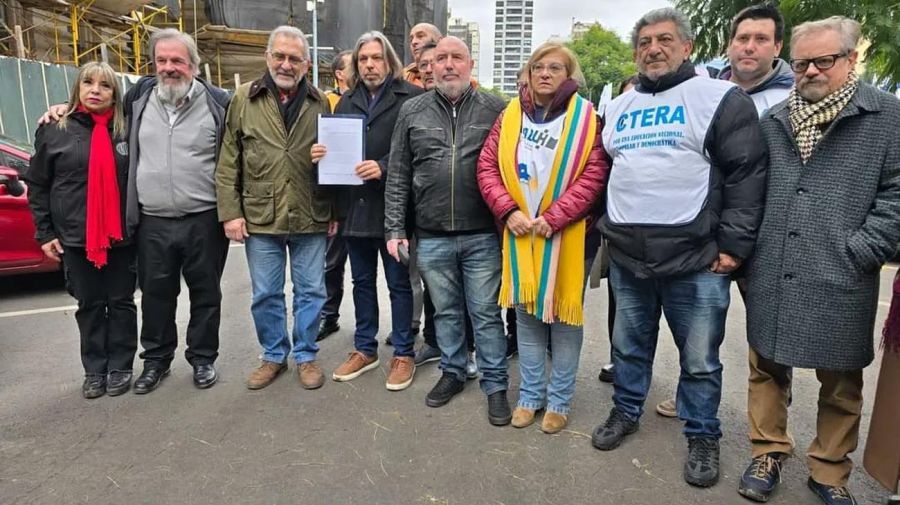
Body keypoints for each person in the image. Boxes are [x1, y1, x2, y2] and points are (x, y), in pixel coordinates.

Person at [589, 7, 767, 489]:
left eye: (665, 39)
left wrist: (734, 246)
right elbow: (603, 173)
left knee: (701, 359)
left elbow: (746, 175)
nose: (654, 48)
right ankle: (625, 411)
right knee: (628, 347)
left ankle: (703, 434)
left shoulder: (719, 98)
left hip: (698, 259)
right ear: (636, 52)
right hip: (629, 254)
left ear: (687, 47)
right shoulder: (620, 107)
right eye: (645, 42)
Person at [741, 16, 900, 505]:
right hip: (775, 265)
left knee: (841, 380)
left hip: (843, 270)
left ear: (852, 60)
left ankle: (829, 471)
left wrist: (864, 249)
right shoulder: (773, 120)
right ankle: (768, 450)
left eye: (823, 61)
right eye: (803, 62)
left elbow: (897, 194)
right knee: (766, 367)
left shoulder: (887, 116)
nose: (810, 71)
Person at [39, 29, 232, 394]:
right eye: (162, 60)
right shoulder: (138, 98)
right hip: (152, 220)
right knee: (157, 295)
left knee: (206, 293)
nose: (169, 68)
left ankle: (203, 358)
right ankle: (156, 361)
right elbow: (94, 111)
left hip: (204, 218)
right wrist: (62, 109)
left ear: (193, 65)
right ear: (153, 64)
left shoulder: (217, 102)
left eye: (177, 61)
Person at [653, 2, 795, 420]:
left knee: (768, 340)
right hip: (703, 237)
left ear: (777, 46)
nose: (749, 47)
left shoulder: (791, 96)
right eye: (742, 39)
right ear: (729, 44)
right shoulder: (702, 88)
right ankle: (688, 398)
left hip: (764, 236)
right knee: (694, 332)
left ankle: (771, 426)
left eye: (760, 39)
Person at [477, 41, 609, 433]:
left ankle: (560, 400)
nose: (545, 74)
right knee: (527, 319)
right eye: (538, 67)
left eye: (555, 68)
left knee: (563, 319)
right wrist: (509, 211)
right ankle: (531, 396)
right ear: (529, 74)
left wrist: (554, 217)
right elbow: (487, 167)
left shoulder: (588, 119)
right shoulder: (510, 115)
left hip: (567, 236)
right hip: (519, 234)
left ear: (569, 77)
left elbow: (594, 174)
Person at [384, 36, 511, 425]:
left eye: (457, 57)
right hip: (432, 234)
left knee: (486, 313)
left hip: (482, 235)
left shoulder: (497, 109)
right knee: (447, 313)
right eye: (441, 59)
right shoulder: (412, 110)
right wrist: (394, 228)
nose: (449, 65)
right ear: (429, 66)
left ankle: (495, 384)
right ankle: (453, 372)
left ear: (471, 64)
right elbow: (399, 173)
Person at [217, 26, 334, 391]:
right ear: (268, 58)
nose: (286, 64)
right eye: (280, 56)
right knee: (266, 292)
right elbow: (228, 159)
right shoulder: (242, 98)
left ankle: (305, 355)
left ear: (307, 64)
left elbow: (335, 162)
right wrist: (230, 212)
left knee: (311, 291)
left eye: (294, 58)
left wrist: (332, 210)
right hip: (260, 215)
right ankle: (272, 355)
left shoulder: (321, 102)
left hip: (309, 211)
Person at [311, 31, 424, 391]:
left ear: (389, 61)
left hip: (394, 211)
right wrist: (321, 158)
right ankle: (365, 348)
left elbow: (419, 149)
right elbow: (336, 156)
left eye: (376, 58)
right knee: (361, 282)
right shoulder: (345, 101)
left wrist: (385, 165)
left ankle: (403, 352)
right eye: (363, 59)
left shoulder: (412, 98)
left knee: (399, 284)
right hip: (355, 210)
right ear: (355, 65)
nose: (370, 64)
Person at [26, 62, 136, 399]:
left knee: (121, 302)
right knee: (88, 304)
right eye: (88, 82)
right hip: (75, 236)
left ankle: (120, 366)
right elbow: (38, 184)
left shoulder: (126, 128)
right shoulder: (55, 128)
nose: (95, 90)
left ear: (114, 92)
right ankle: (94, 370)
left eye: (104, 85)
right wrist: (44, 233)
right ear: (77, 88)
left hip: (120, 236)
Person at [596, 74, 637, 385]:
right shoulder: (610, 128)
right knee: (620, 300)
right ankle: (617, 357)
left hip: (670, 237)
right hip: (619, 231)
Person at [318, 49, 353, 342]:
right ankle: (328, 316)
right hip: (338, 196)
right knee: (331, 261)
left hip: (370, 195)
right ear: (340, 73)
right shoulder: (326, 102)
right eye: (354, 64)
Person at [404, 23, 443, 87]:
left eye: (420, 36)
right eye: (411, 40)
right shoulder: (402, 77)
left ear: (439, 41)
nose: (414, 42)